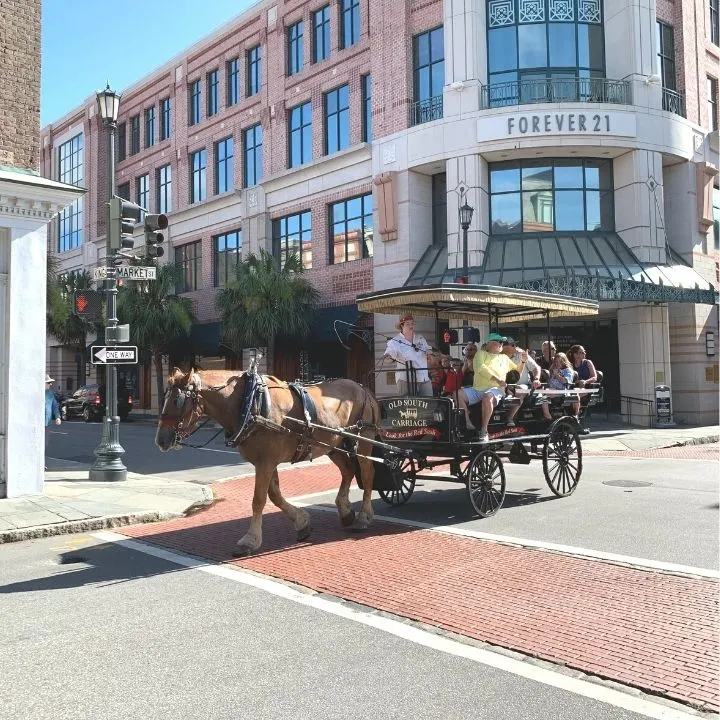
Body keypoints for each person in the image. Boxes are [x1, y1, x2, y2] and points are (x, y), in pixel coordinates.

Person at [457, 332, 526, 442]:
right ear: (490, 343)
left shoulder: (504, 357)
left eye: (502, 342)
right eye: (499, 341)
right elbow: (481, 368)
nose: (501, 344)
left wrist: (522, 361)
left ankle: (484, 430)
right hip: (478, 388)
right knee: (458, 394)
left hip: (496, 390)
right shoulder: (481, 354)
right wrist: (498, 380)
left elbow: (516, 374)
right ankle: (468, 423)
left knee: (487, 396)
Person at [384, 314, 434, 397]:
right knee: (408, 407)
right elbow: (387, 357)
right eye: (408, 324)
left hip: (424, 378)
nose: (411, 326)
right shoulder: (394, 341)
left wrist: (429, 352)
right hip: (406, 379)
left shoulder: (420, 338)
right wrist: (390, 358)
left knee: (429, 404)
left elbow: (429, 350)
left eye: (412, 323)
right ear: (402, 326)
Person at [501, 337, 543, 426]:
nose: (515, 347)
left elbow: (536, 368)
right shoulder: (499, 356)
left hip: (523, 384)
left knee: (520, 389)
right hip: (504, 385)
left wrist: (536, 379)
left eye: (514, 345)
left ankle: (509, 418)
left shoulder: (521, 354)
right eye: (512, 345)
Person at [44, 374, 61, 469]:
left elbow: (54, 406)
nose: (50, 384)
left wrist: (57, 416)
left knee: (44, 444)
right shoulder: (37, 393)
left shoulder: (50, 393)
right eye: (48, 383)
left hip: (47, 423)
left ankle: (42, 463)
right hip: (38, 423)